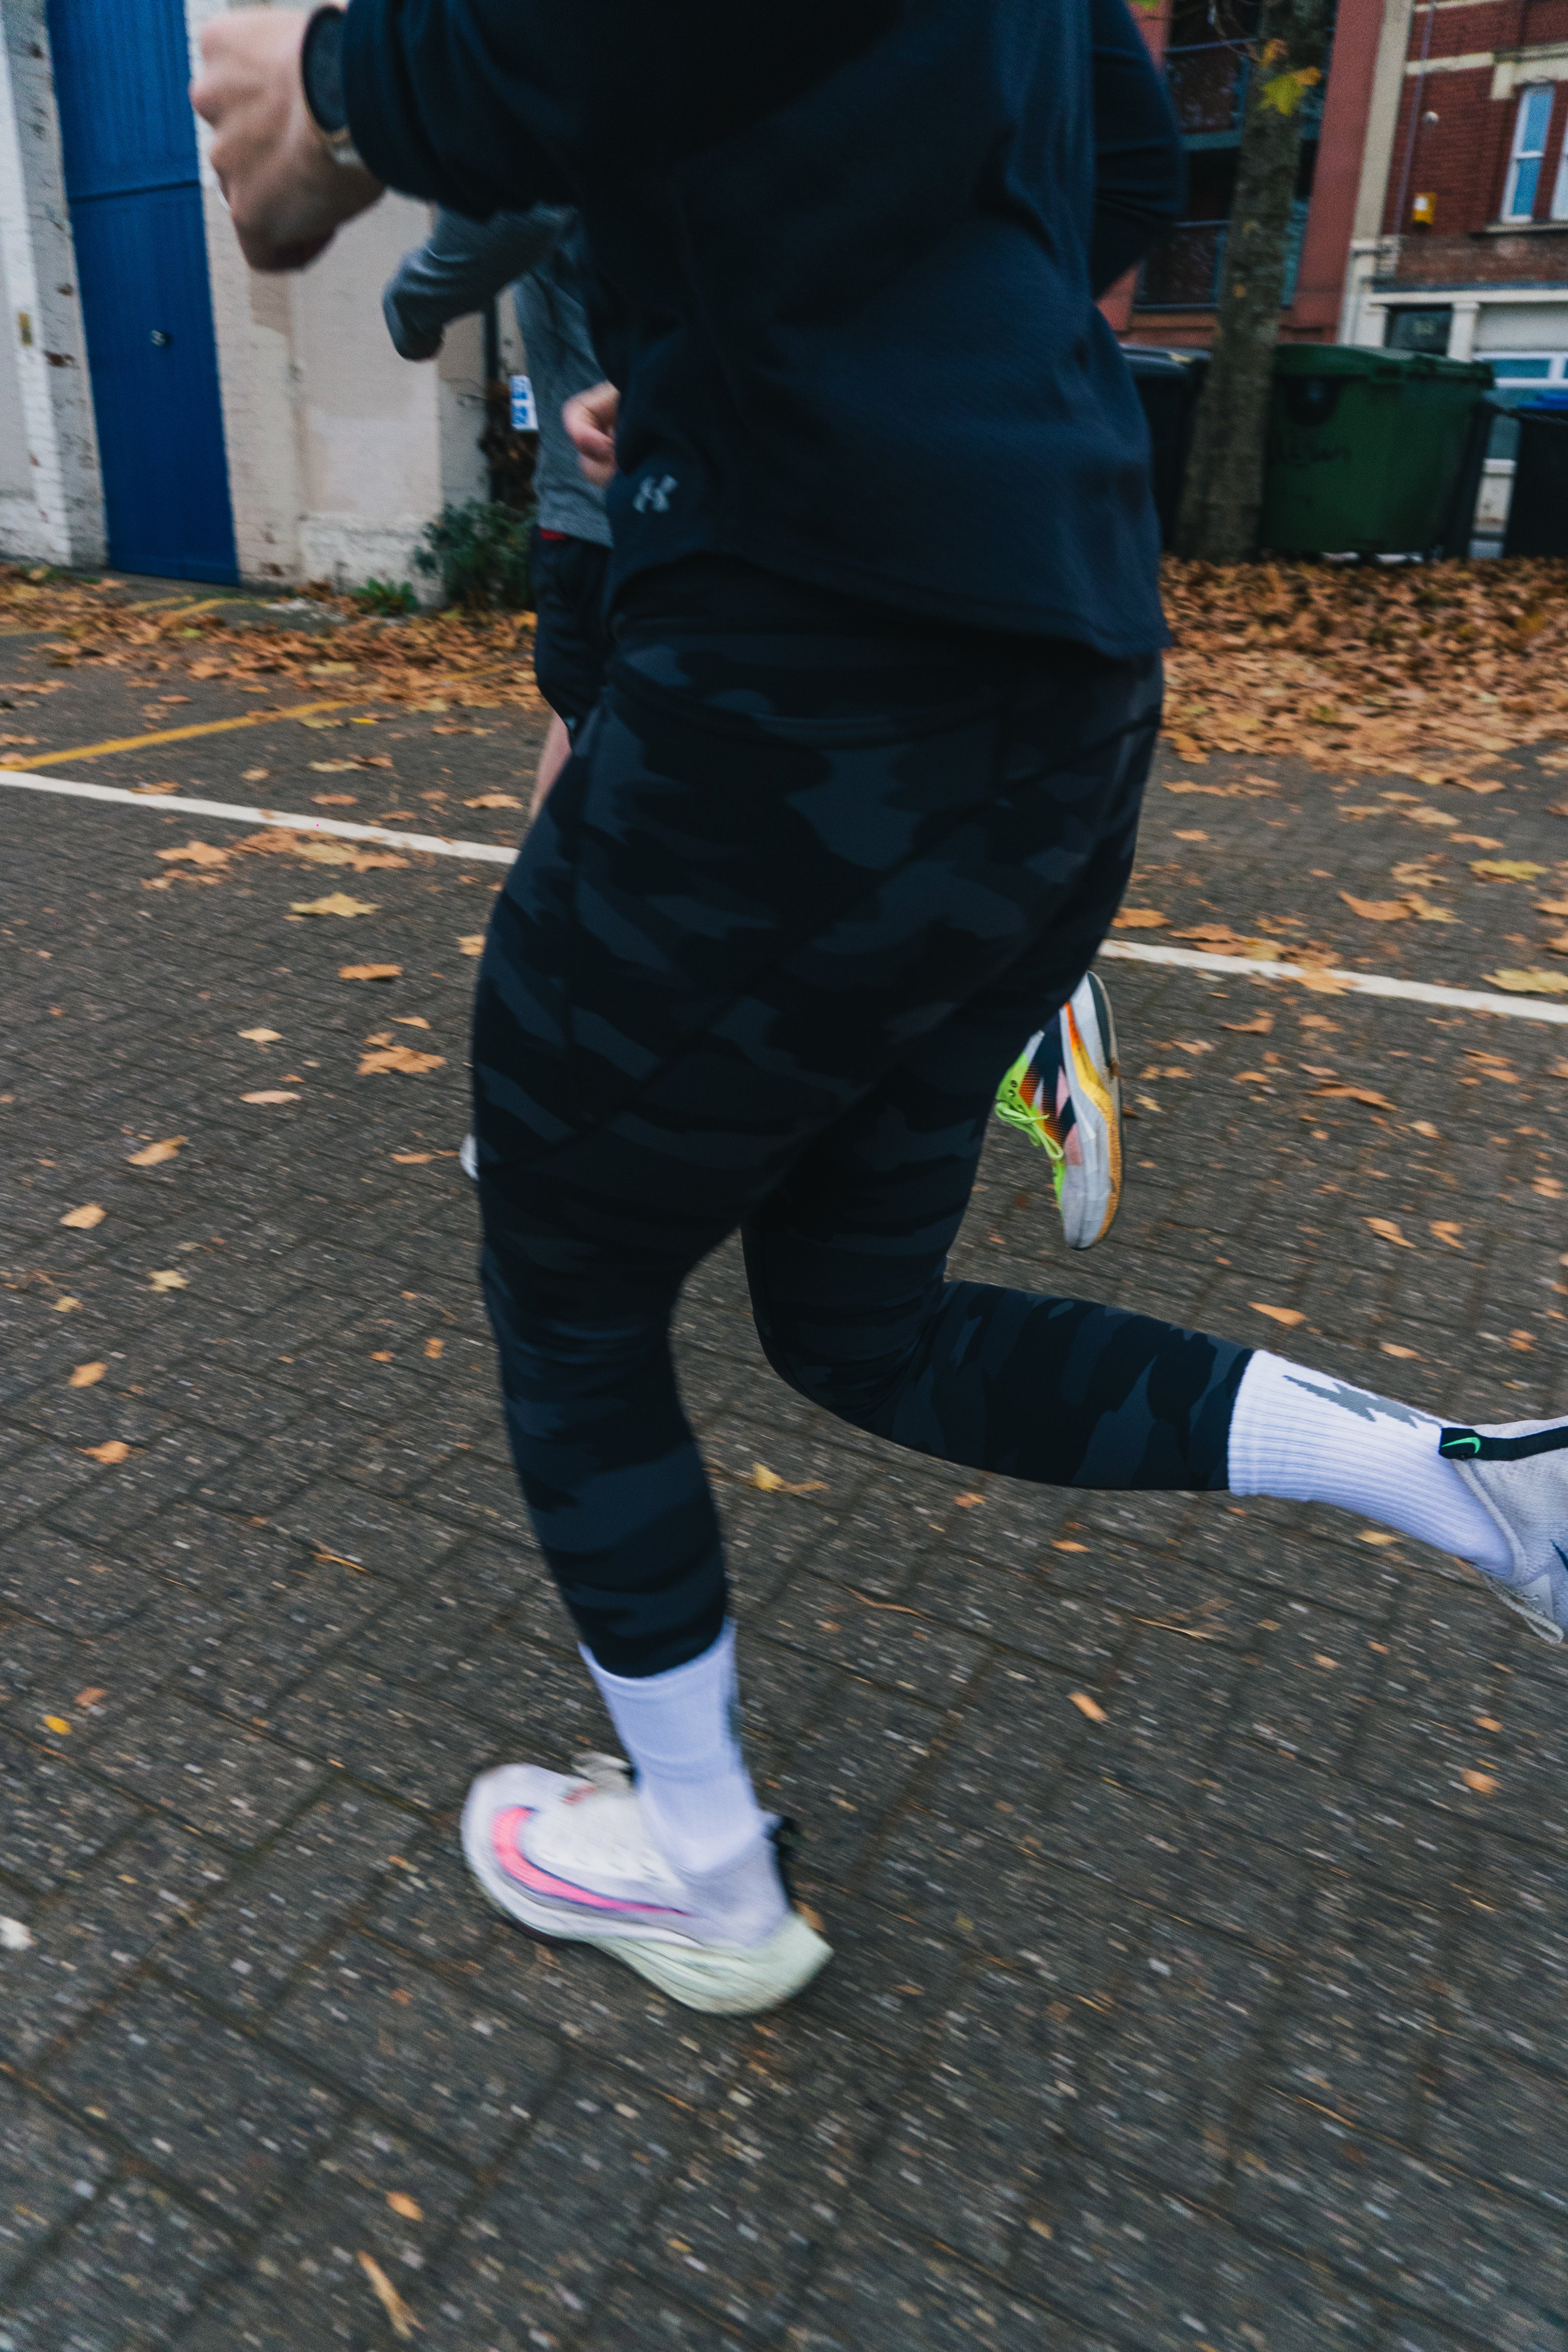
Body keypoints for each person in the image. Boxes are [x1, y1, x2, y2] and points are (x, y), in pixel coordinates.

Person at [194, 2, 1565, 2021]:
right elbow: (1115, 157)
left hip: (806, 686)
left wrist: (340, 78)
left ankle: (707, 1876)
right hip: (1056, 676)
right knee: (859, 1327)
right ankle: (1480, 1489)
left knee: (565, 1277)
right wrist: (790, 356)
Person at [383, 205, 612, 821]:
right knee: (583, 728)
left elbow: (506, 213)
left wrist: (409, 311)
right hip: (689, 518)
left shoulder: (556, 131)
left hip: (609, 531)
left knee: (625, 783)